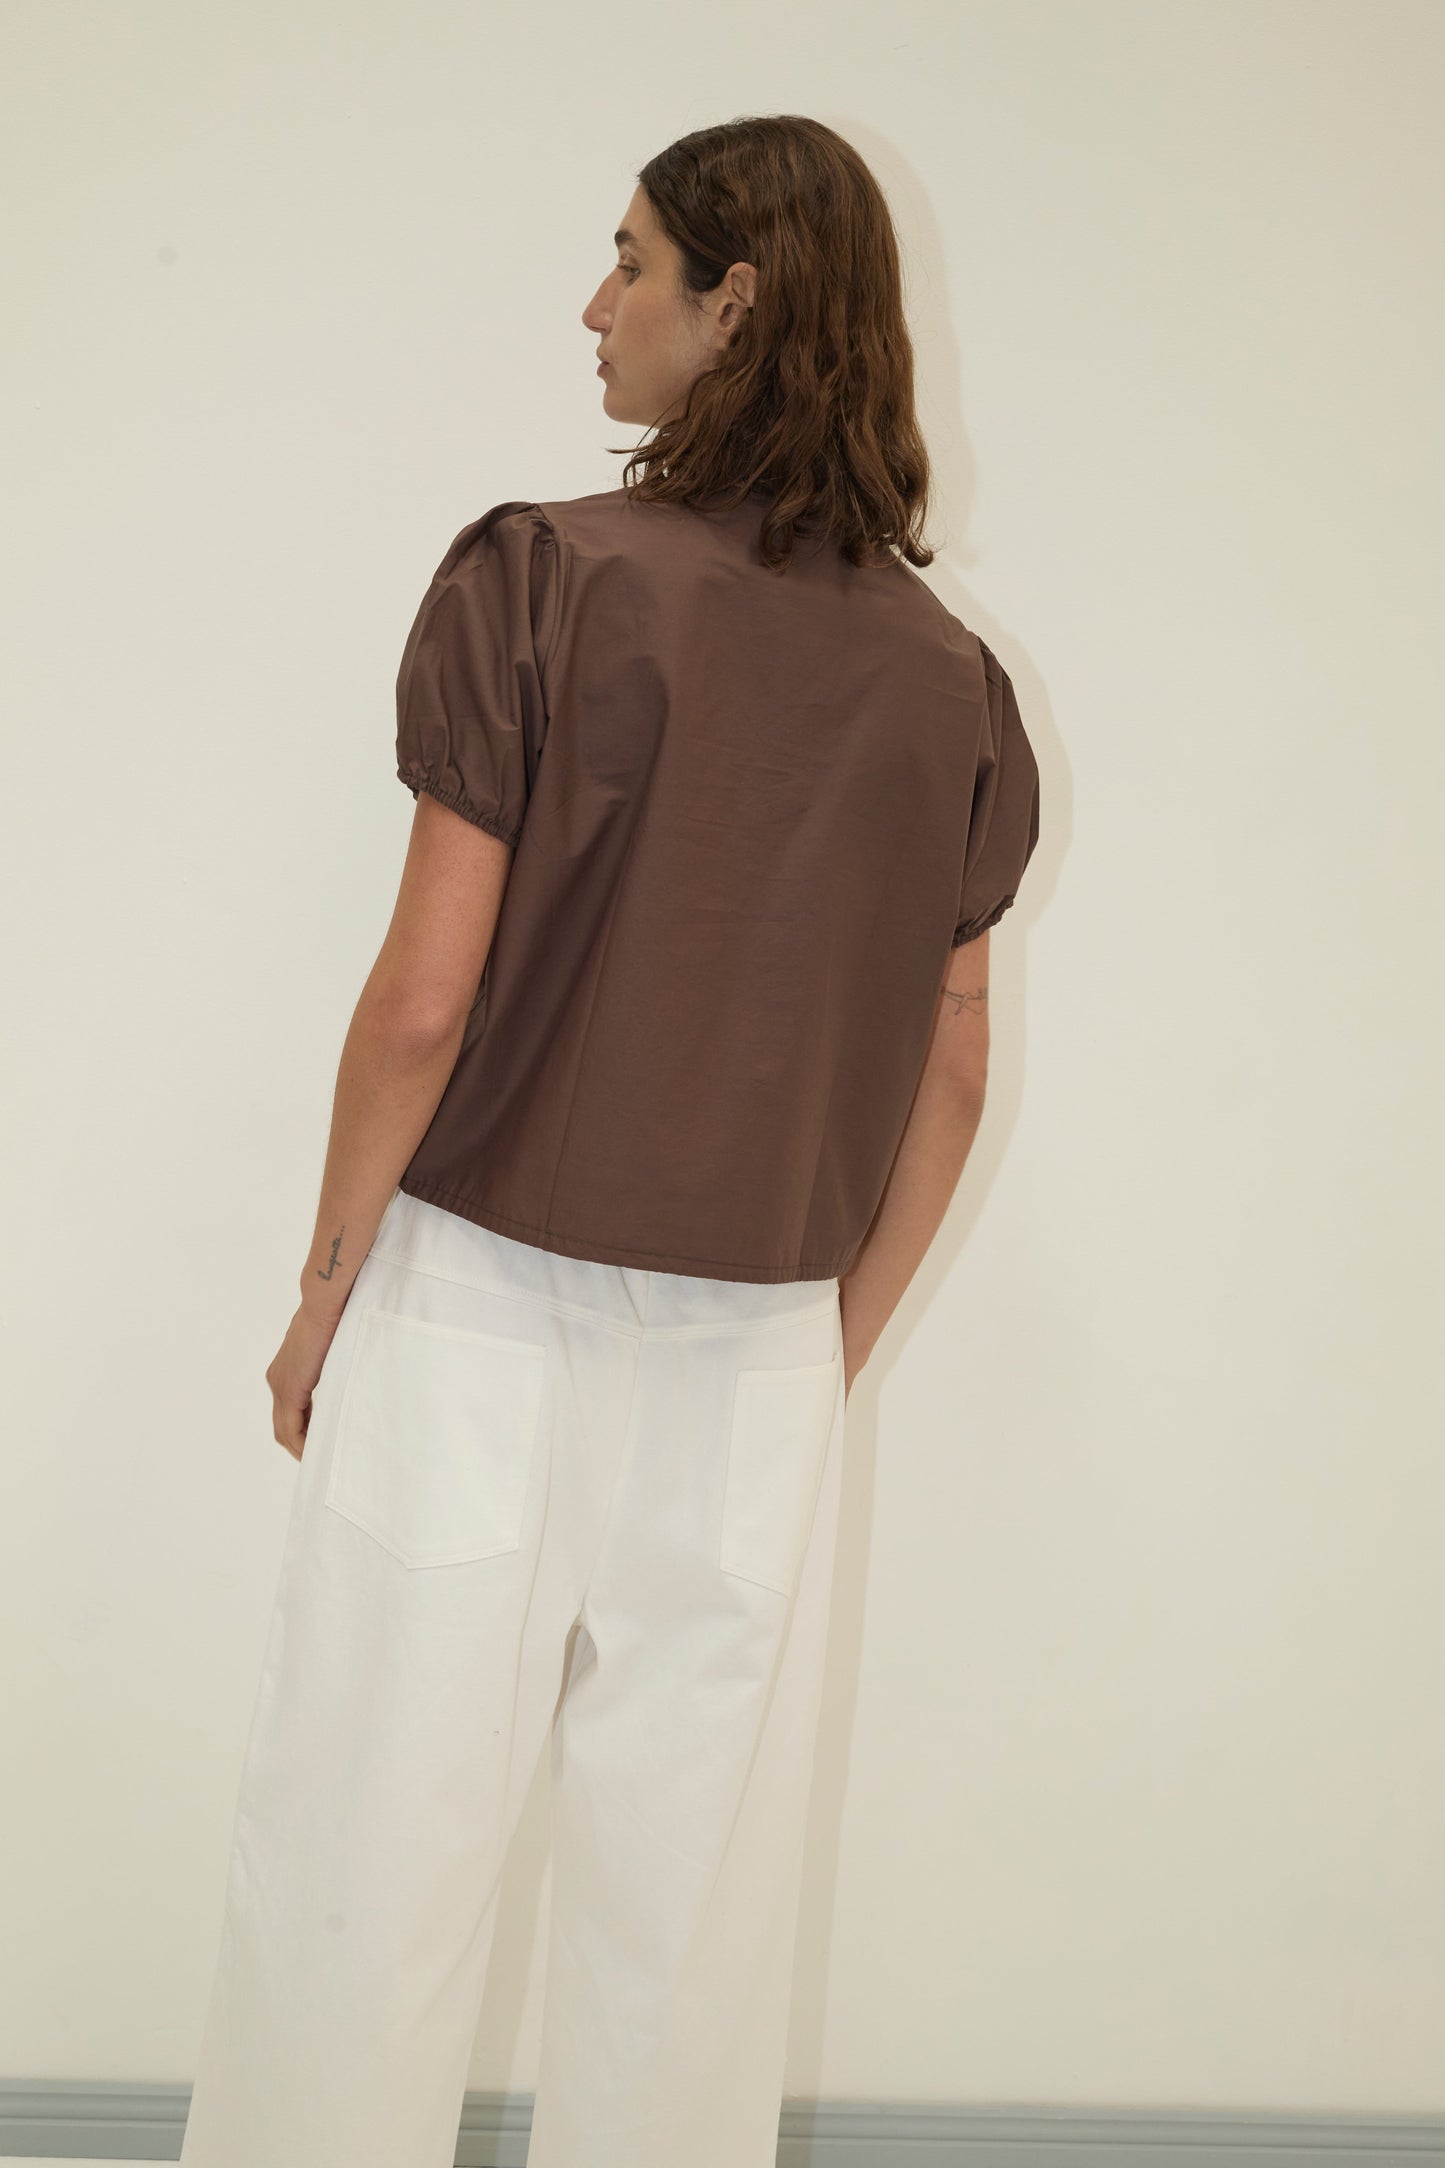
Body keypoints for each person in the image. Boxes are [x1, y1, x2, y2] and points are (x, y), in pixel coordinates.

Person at [179, 115, 1042, 2168]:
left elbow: (419, 1001)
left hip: (476, 1306)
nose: (597, 302)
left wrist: (324, 1288)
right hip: (752, 1354)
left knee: (361, 1867)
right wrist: (822, 1346)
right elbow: (952, 1075)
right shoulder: (954, 688)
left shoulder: (543, 578)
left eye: (632, 261)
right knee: (688, 1916)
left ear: (733, 306)